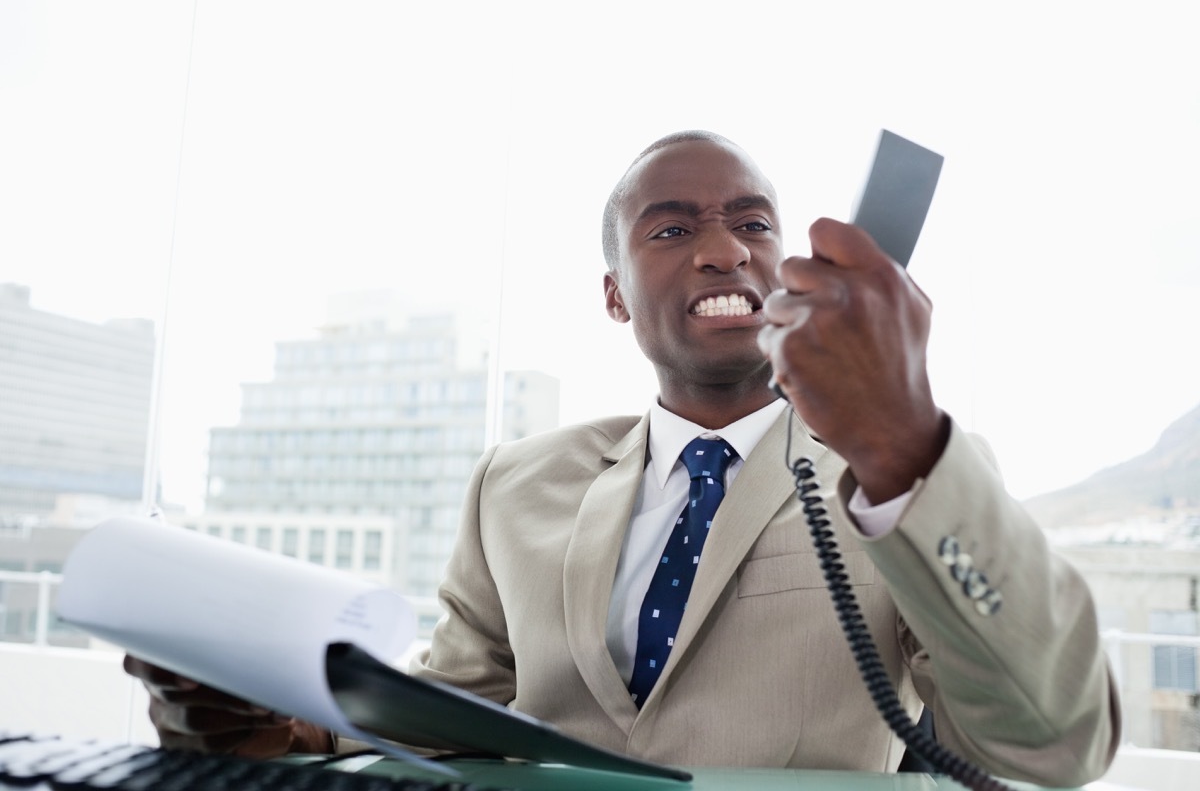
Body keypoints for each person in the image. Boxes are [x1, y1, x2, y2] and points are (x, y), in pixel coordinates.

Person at [125, 130, 1120, 786]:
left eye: (753, 224)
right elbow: (459, 702)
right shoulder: (516, 482)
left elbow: (1056, 740)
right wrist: (282, 724)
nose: (723, 250)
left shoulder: (900, 475)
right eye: (674, 227)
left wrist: (899, 439)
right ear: (614, 296)